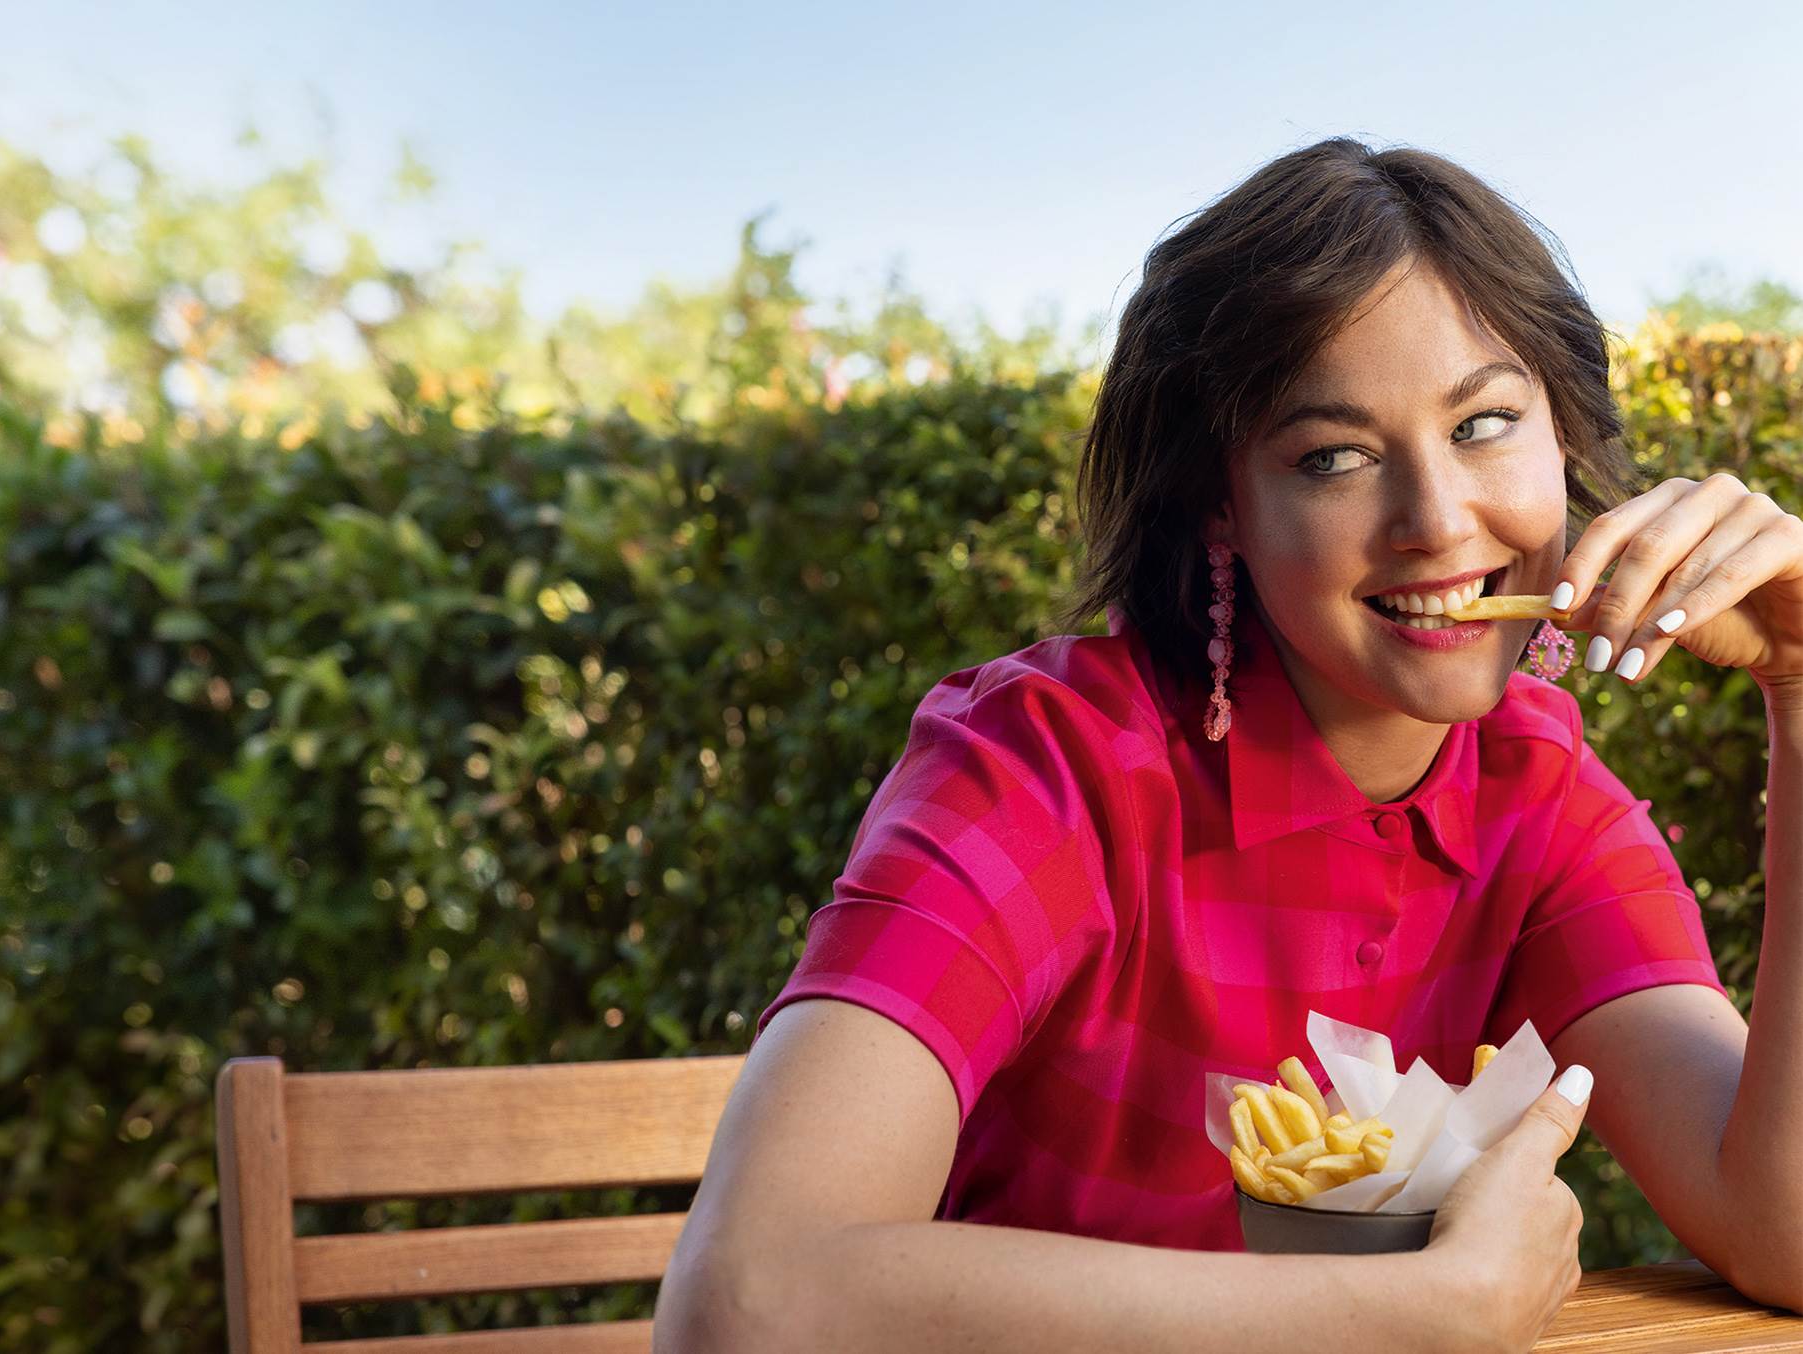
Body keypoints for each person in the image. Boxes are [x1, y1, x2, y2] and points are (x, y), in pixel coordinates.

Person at [654, 137, 1803, 1352]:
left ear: (1561, 435)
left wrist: (1800, 677)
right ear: (1221, 501)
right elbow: (749, 1300)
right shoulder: (1043, 766)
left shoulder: (1541, 790)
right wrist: (1419, 1311)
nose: (1435, 519)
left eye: (1484, 424)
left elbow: (1781, 1229)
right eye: (1334, 457)